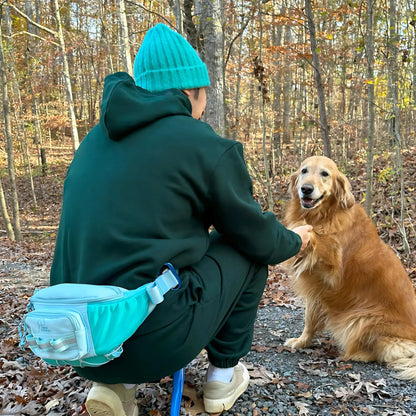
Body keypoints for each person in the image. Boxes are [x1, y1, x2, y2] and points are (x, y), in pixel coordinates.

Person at [50, 23, 312, 416]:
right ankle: (224, 377)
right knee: (246, 250)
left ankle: (112, 386)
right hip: (151, 341)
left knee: (123, 267)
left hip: (76, 338)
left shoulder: (93, 141)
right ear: (191, 92)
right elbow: (258, 237)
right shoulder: (203, 144)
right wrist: (296, 239)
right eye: (204, 95)